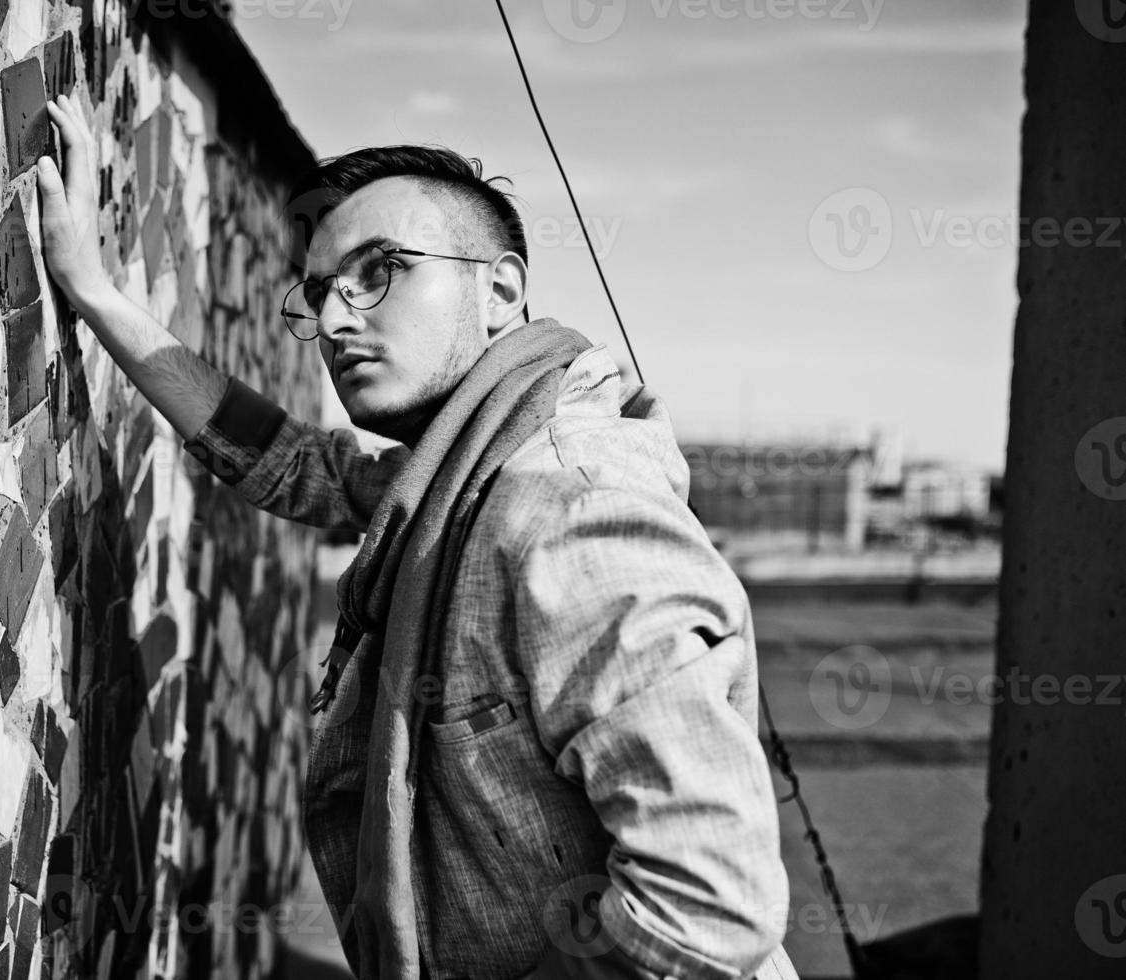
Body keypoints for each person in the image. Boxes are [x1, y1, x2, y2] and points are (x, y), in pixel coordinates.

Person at [39, 93, 800, 980]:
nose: (332, 321)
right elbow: (290, 465)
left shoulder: (570, 510)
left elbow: (704, 912)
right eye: (319, 292)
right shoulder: (454, 482)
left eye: (380, 271)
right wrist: (91, 289)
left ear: (501, 290)